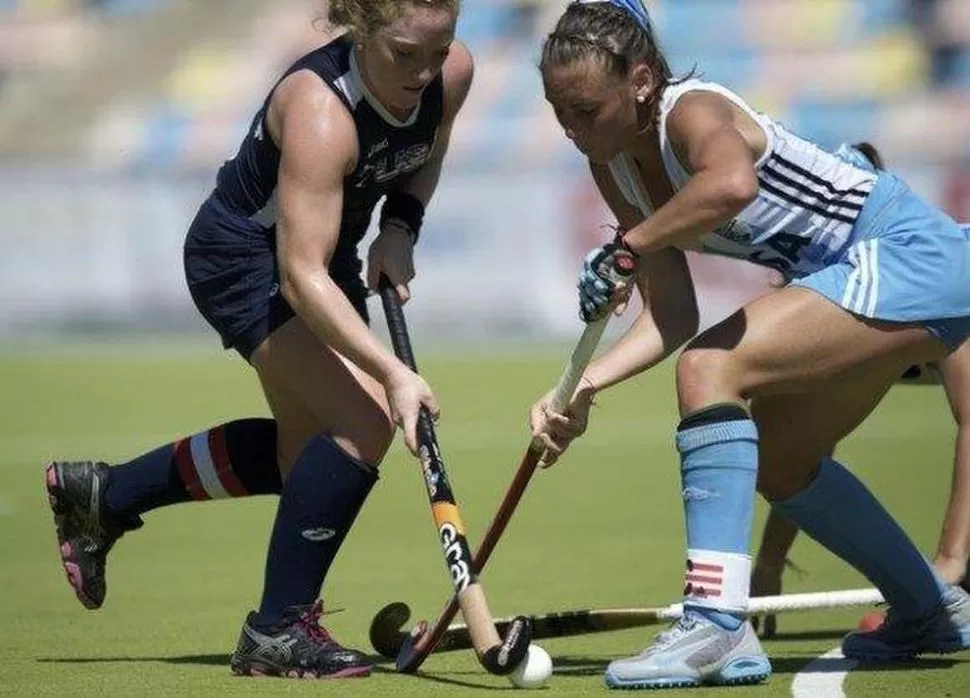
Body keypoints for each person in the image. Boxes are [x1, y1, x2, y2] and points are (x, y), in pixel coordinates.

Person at [530, 0, 970, 690]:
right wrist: (582, 388)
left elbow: (733, 184)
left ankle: (714, 623)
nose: (571, 127)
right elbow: (672, 314)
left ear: (641, 81)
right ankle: (927, 609)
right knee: (785, 461)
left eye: (585, 109)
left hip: (909, 255)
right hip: (861, 279)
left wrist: (628, 246)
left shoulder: (691, 112)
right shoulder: (611, 163)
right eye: (558, 111)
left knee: (712, 366)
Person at [44, 0, 473, 680]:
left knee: (304, 463)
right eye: (404, 53)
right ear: (360, 28)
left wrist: (402, 225)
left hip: (318, 256)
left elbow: (430, 145)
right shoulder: (319, 110)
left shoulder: (453, 73)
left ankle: (107, 495)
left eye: (438, 50)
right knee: (362, 422)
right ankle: (277, 630)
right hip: (246, 261)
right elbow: (298, 278)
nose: (425, 72)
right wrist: (392, 372)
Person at [749, 143, 970, 637]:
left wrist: (949, 564)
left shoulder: (930, 275)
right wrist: (768, 565)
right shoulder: (849, 298)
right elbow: (808, 448)